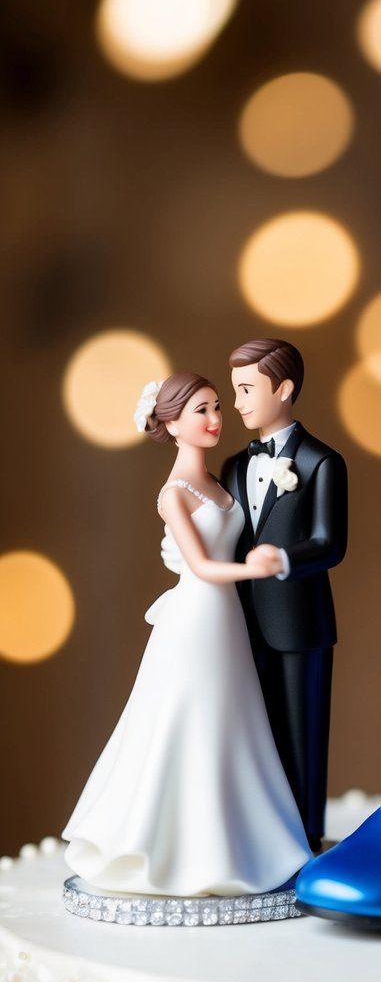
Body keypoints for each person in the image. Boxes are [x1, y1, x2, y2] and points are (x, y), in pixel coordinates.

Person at [63, 373, 312, 897]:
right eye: (200, 410)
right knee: (190, 722)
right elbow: (200, 566)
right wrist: (257, 569)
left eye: (217, 406)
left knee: (232, 724)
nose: (215, 418)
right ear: (172, 423)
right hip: (197, 617)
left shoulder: (222, 481)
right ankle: (173, 849)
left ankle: (240, 843)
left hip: (227, 621)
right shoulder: (173, 495)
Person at [221, 340, 347, 852]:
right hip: (239, 620)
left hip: (299, 620)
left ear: (285, 389)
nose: (238, 403)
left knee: (302, 731)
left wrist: (285, 560)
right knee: (251, 728)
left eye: (247, 389)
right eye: (235, 391)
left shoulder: (322, 462)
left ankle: (305, 834)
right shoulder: (233, 464)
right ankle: (257, 830)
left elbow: (330, 543)